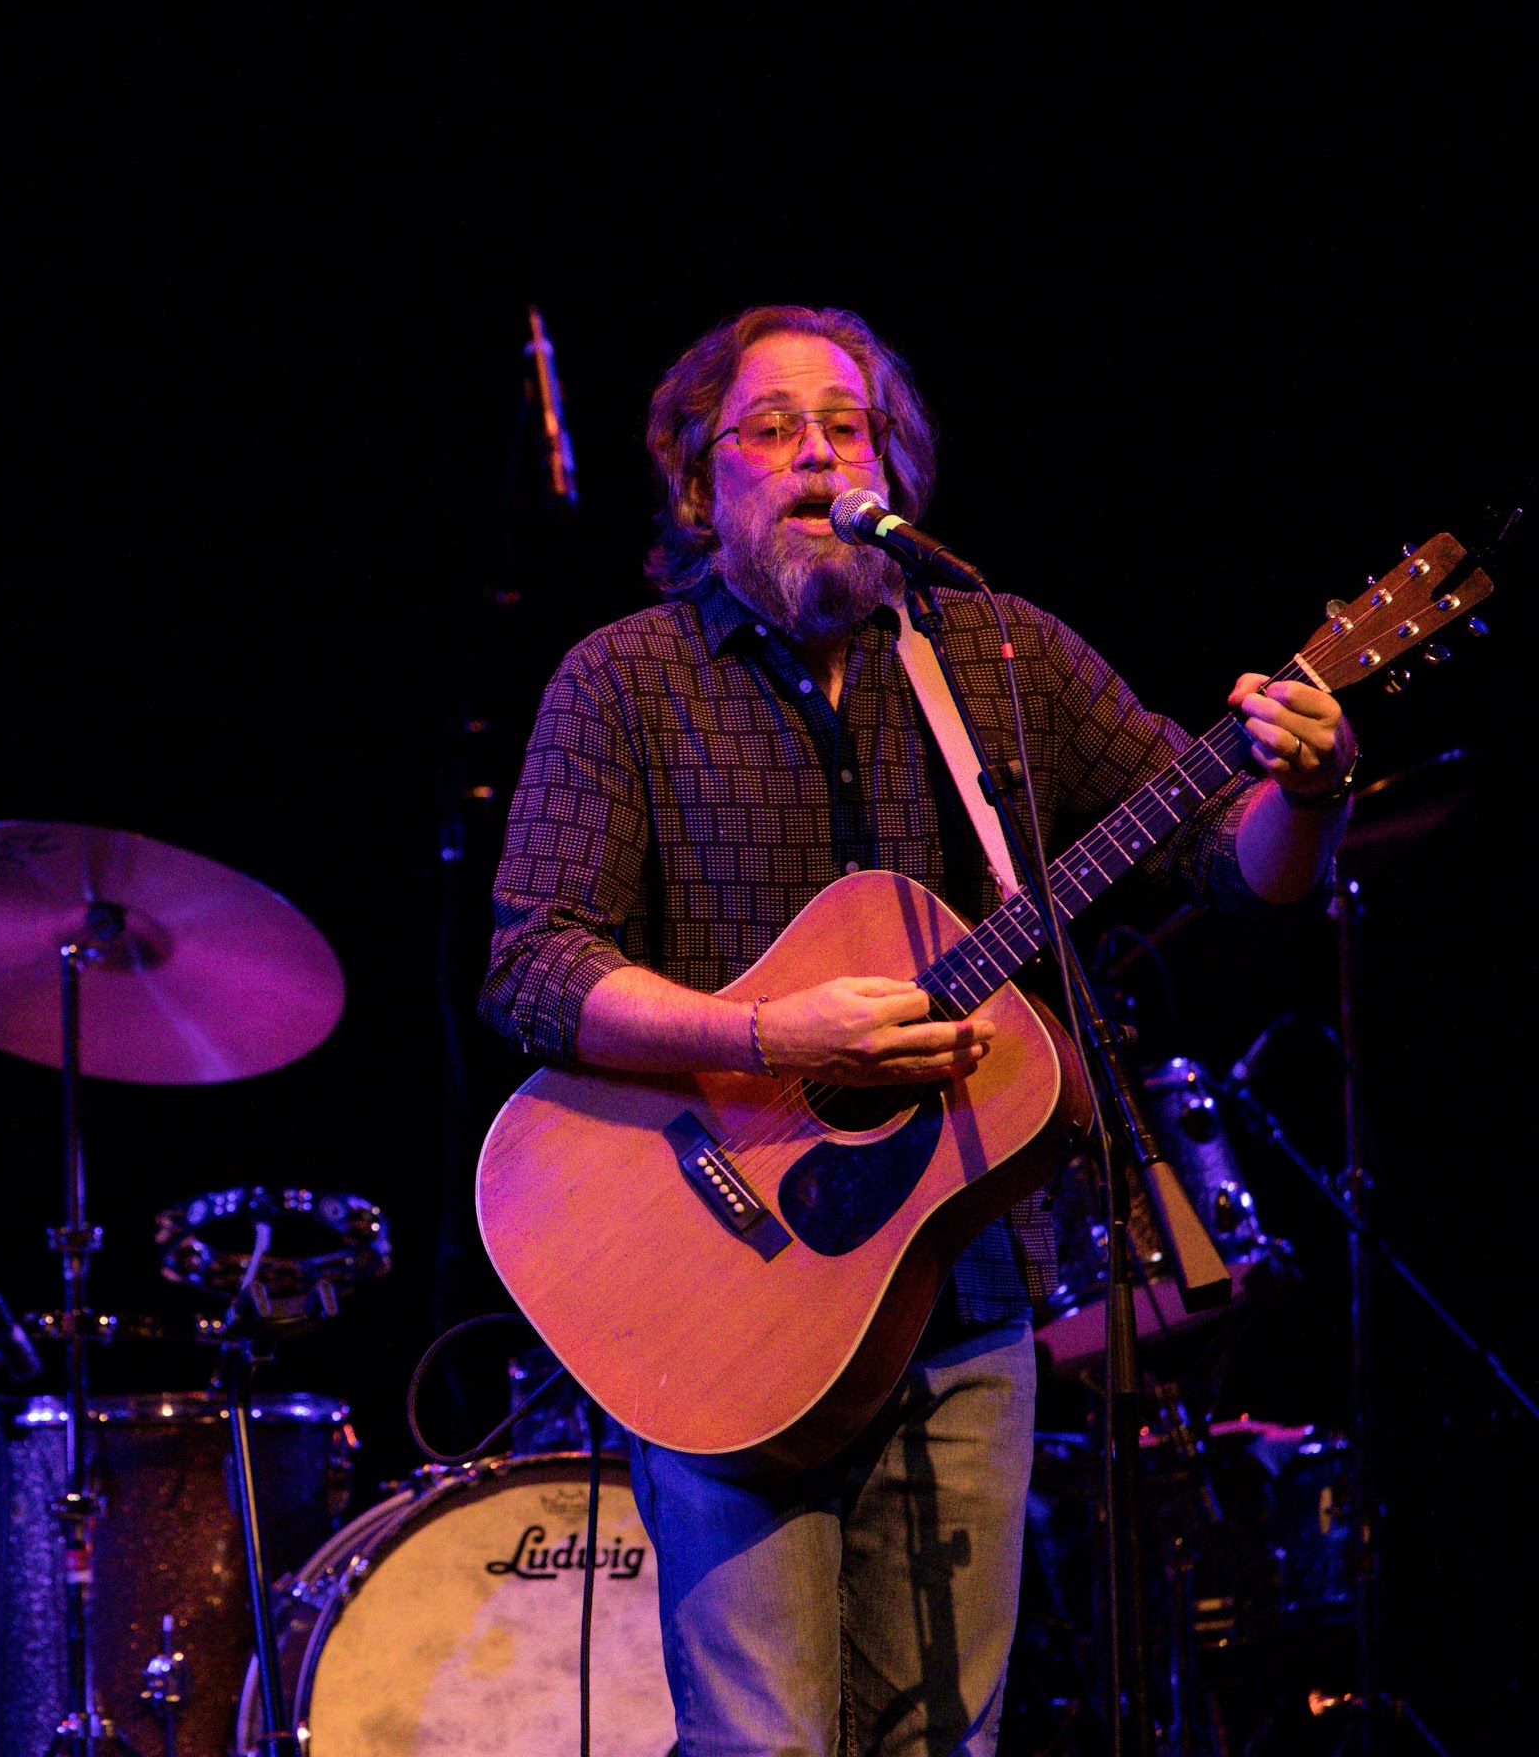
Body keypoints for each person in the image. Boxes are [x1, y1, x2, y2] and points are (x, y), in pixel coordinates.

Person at [478, 305, 1354, 1756]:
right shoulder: (623, 680)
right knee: (767, 1743)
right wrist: (767, 1035)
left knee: (947, 1740)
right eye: (771, 429)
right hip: (725, 1305)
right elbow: (530, 969)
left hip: (967, 1297)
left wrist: (1309, 793)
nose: (819, 452)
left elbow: (1226, 856)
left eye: (850, 424)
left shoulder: (993, 653)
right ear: (704, 484)